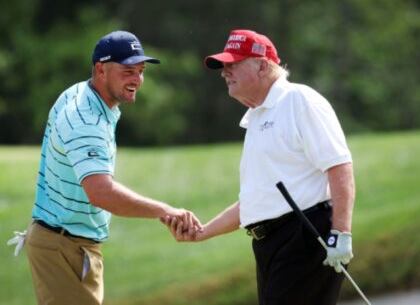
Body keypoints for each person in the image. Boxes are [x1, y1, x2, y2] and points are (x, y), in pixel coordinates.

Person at [163, 29, 355, 305]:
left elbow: (339, 166)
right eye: (223, 66)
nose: (224, 72)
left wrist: (341, 233)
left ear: (263, 65)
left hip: (306, 236)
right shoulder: (256, 117)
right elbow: (256, 201)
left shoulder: (298, 100)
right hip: (270, 244)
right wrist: (203, 232)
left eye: (233, 65)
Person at [24, 30, 202, 305]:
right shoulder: (86, 120)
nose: (137, 80)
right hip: (64, 247)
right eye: (128, 71)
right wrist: (166, 211)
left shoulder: (81, 93)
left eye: (141, 71)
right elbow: (101, 193)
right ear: (100, 70)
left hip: (65, 244)